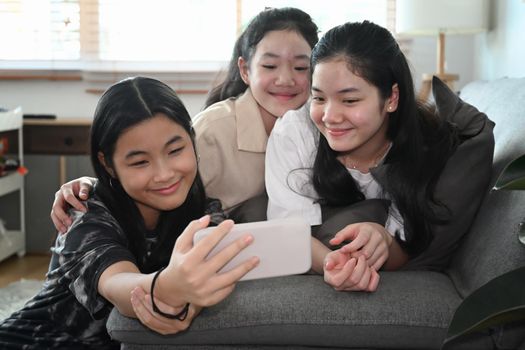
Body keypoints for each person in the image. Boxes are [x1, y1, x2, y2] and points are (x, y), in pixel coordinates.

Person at [0, 77, 259, 348]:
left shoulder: (207, 213)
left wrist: (187, 303)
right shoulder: (83, 211)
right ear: (108, 164)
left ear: (192, 140)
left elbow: (207, 280)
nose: (164, 174)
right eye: (139, 162)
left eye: (175, 150)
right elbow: (116, 282)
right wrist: (164, 289)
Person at [265, 21, 495, 292]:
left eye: (349, 101)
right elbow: (289, 232)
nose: (329, 117)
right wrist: (332, 263)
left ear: (391, 98)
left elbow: (409, 246)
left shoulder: (425, 149)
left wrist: (383, 241)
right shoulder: (294, 133)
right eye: (318, 98)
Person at [50, 7, 319, 233]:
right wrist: (90, 187)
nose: (286, 79)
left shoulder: (324, 122)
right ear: (245, 70)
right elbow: (152, 179)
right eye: (270, 66)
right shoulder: (213, 131)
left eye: (300, 67)